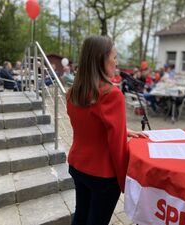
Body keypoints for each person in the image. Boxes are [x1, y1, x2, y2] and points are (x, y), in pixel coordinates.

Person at [66, 35, 147, 225]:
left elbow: (88, 126)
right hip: (102, 174)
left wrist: (123, 130)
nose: (116, 63)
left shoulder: (73, 92)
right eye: (114, 57)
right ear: (102, 59)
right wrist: (126, 179)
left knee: (81, 214)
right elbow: (116, 146)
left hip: (78, 165)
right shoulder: (111, 94)